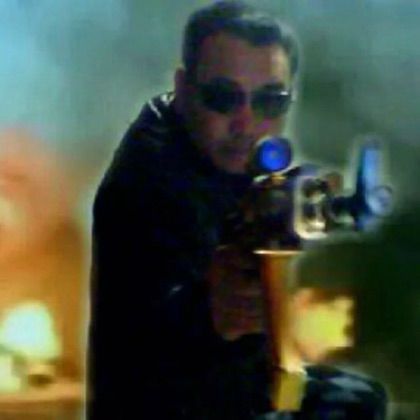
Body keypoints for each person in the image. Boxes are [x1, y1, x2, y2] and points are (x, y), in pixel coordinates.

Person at [87, 2, 386, 418]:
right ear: (184, 88)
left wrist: (327, 205)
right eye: (223, 98)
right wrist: (208, 314)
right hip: (167, 403)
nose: (246, 123)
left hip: (237, 379)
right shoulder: (146, 180)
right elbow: (142, 335)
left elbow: (274, 199)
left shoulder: (222, 153)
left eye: (270, 101)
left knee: (358, 399)